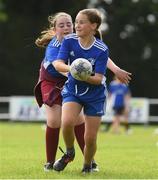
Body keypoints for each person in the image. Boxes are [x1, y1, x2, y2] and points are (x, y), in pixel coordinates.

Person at [52, 8, 132, 173]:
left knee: (90, 138)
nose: (77, 26)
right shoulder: (69, 41)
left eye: (81, 22)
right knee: (66, 123)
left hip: (95, 95)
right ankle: (69, 152)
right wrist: (72, 69)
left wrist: (83, 75)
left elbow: (97, 79)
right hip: (73, 90)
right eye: (76, 22)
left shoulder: (101, 49)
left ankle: (87, 166)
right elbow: (58, 63)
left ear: (93, 26)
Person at [34, 12, 88, 172]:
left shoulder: (79, 42)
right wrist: (75, 74)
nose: (66, 27)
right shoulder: (53, 46)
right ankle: (49, 163)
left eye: (69, 24)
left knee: (78, 120)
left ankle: (89, 162)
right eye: (61, 25)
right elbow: (58, 66)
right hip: (50, 83)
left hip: (69, 81)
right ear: (55, 29)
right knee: (54, 121)